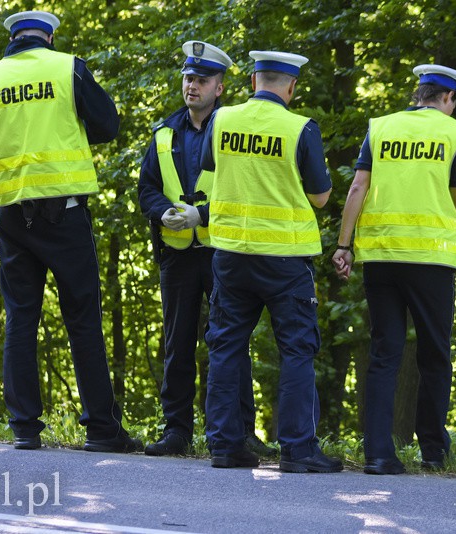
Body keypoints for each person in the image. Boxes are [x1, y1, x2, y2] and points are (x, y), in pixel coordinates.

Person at [0, 10, 142, 454]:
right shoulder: (67, 68)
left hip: (11, 214)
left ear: (13, 39)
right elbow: (108, 126)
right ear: (50, 37)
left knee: (21, 317)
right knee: (82, 319)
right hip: (66, 212)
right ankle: (101, 429)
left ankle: (24, 427)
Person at [200, 51, 341, 473]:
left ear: (253, 81)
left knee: (225, 346)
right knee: (297, 350)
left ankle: (225, 446)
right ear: (291, 87)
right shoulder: (300, 128)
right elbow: (320, 197)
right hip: (284, 259)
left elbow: (209, 170)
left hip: (230, 254)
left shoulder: (221, 120)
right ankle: (297, 450)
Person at [332, 64, 456, 474]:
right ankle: (433, 450)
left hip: (381, 259)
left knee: (384, 354)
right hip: (431, 262)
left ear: (419, 94)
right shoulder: (452, 134)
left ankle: (378, 454)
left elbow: (357, 187)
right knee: (434, 354)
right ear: (448, 98)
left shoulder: (380, 128)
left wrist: (345, 245)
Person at [137, 41, 275, 457]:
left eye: (201, 79)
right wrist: (162, 214)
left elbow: (249, 191)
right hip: (178, 255)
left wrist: (206, 215)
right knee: (177, 344)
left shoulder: (234, 131)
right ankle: (175, 431)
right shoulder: (164, 133)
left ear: (220, 87)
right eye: (187, 78)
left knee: (231, 343)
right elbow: (146, 189)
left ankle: (242, 433)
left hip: (224, 253)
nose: (191, 85)